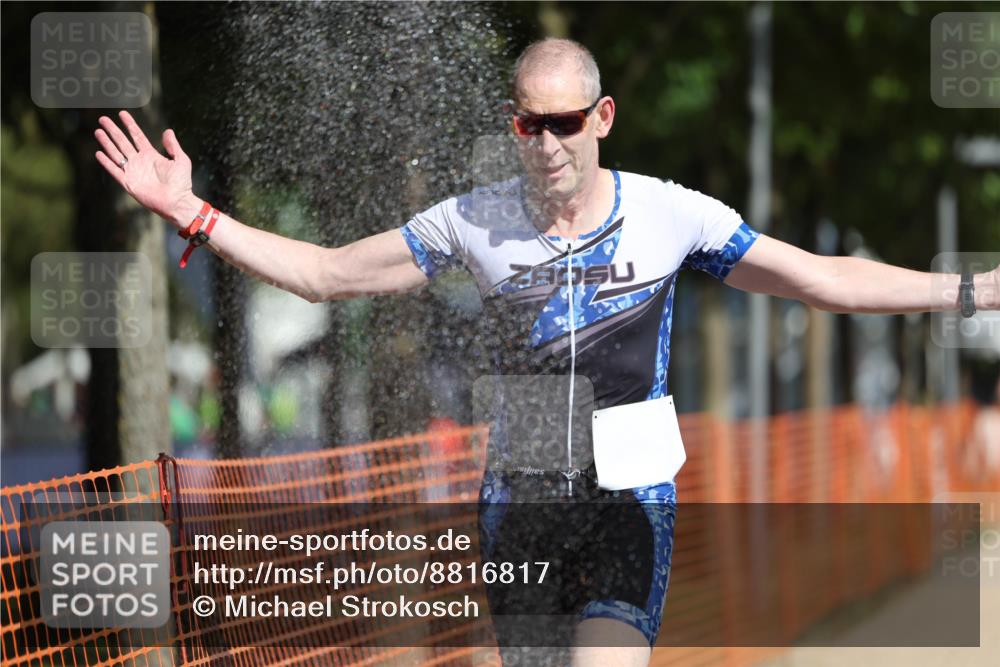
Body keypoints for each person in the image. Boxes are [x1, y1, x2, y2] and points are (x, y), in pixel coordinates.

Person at [95, 37, 998, 667]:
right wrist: (196, 215)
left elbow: (819, 279)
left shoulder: (668, 211)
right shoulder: (473, 220)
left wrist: (964, 289)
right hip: (520, 491)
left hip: (628, 495)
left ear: (602, 116)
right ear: (512, 124)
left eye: (568, 122)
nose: (551, 144)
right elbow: (328, 274)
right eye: (532, 125)